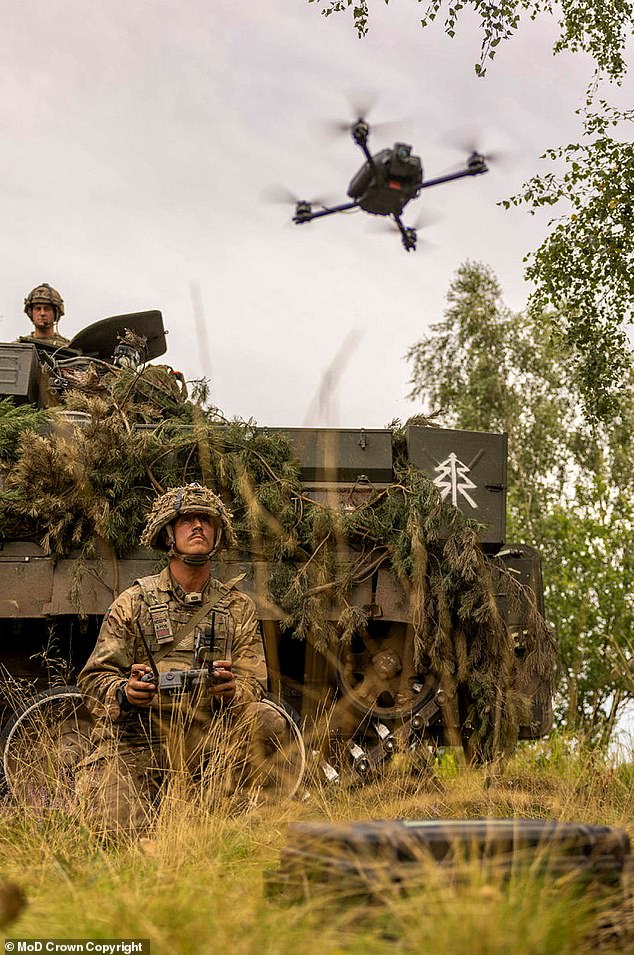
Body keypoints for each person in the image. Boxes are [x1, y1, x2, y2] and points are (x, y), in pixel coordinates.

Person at [76, 483, 287, 834]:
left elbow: (255, 683)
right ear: (169, 533)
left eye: (206, 520)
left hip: (207, 738)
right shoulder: (134, 602)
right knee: (115, 834)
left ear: (218, 534)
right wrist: (124, 693)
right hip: (140, 739)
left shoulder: (238, 607)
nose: (198, 526)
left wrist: (232, 691)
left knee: (267, 720)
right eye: (187, 519)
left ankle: (230, 809)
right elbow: (93, 678)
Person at [20, 282, 70, 347]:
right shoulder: (20, 346)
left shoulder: (66, 347)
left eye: (47, 309)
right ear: (30, 312)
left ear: (56, 313)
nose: (42, 313)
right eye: (38, 309)